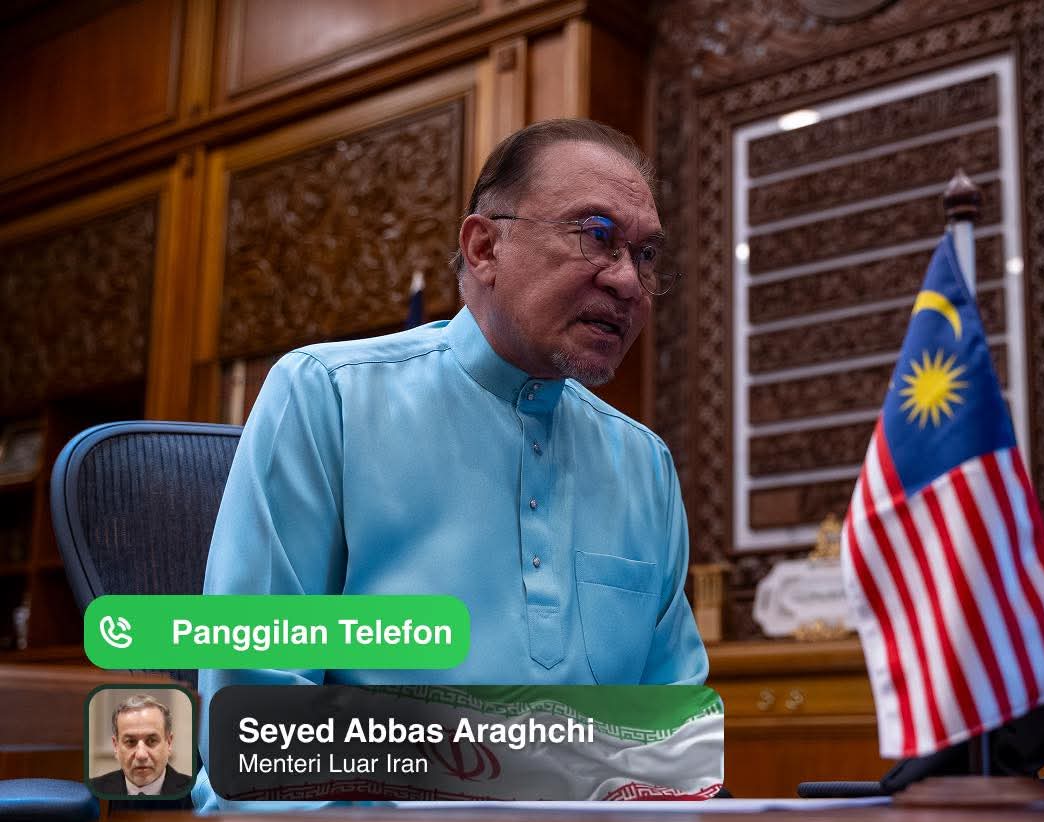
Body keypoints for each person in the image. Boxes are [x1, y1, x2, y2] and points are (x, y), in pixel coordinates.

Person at [200, 118, 707, 727]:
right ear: (485, 248)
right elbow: (258, 711)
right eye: (596, 236)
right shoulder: (328, 396)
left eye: (645, 254)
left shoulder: (645, 464)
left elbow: (672, 728)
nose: (627, 280)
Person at [89, 695, 192, 798]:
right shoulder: (91, 792)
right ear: (116, 746)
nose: (141, 755)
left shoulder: (194, 792)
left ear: (168, 743)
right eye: (130, 741)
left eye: (152, 741)